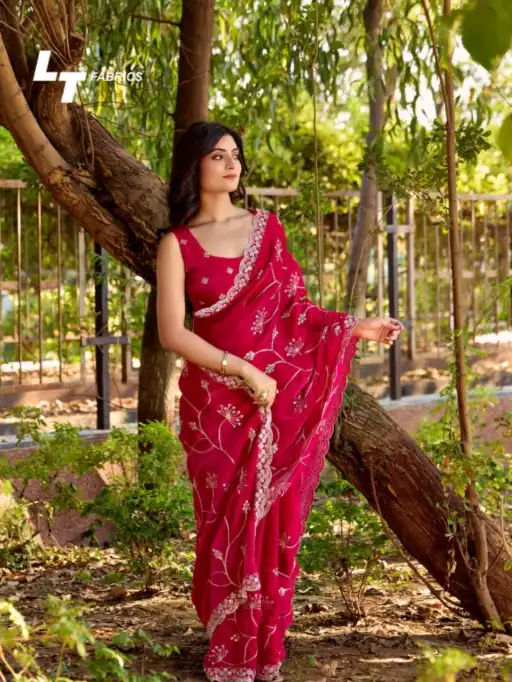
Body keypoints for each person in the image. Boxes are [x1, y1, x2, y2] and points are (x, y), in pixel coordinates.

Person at [156, 121, 403, 682]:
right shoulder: (177, 244)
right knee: (222, 528)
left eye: (236, 154)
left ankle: (262, 652)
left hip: (273, 402)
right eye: (218, 156)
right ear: (194, 166)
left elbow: (295, 311)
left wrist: (355, 326)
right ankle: (229, 650)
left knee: (272, 522)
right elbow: (173, 333)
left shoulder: (266, 229)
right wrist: (243, 369)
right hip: (216, 409)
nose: (232, 164)